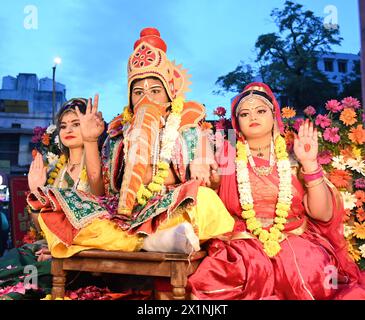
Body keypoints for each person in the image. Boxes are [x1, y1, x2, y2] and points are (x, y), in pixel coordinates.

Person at [32, 27, 234, 259]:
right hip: (121, 215)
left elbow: (212, 178)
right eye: (138, 92)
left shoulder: (187, 125)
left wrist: (203, 164)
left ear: (169, 94)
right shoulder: (119, 132)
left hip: (171, 208)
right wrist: (89, 140)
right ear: (130, 97)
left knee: (206, 201)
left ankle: (150, 239)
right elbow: (99, 191)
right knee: (61, 206)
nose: (146, 98)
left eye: (156, 90)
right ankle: (153, 241)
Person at [188, 82, 365, 300]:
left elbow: (323, 214)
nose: (253, 116)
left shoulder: (291, 158)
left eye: (261, 110)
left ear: (274, 116)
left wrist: (309, 164)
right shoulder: (226, 158)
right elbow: (206, 191)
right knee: (228, 274)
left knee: (307, 270)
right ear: (237, 123)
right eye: (245, 113)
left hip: (294, 239)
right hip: (242, 244)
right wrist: (200, 162)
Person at [0, 98, 94, 299]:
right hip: (47, 247)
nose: (68, 129)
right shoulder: (57, 172)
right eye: (63, 126)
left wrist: (60, 250)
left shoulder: (97, 169)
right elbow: (43, 227)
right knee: (12, 260)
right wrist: (37, 192)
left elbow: (98, 224)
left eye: (76, 124)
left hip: (79, 255)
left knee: (20, 288)